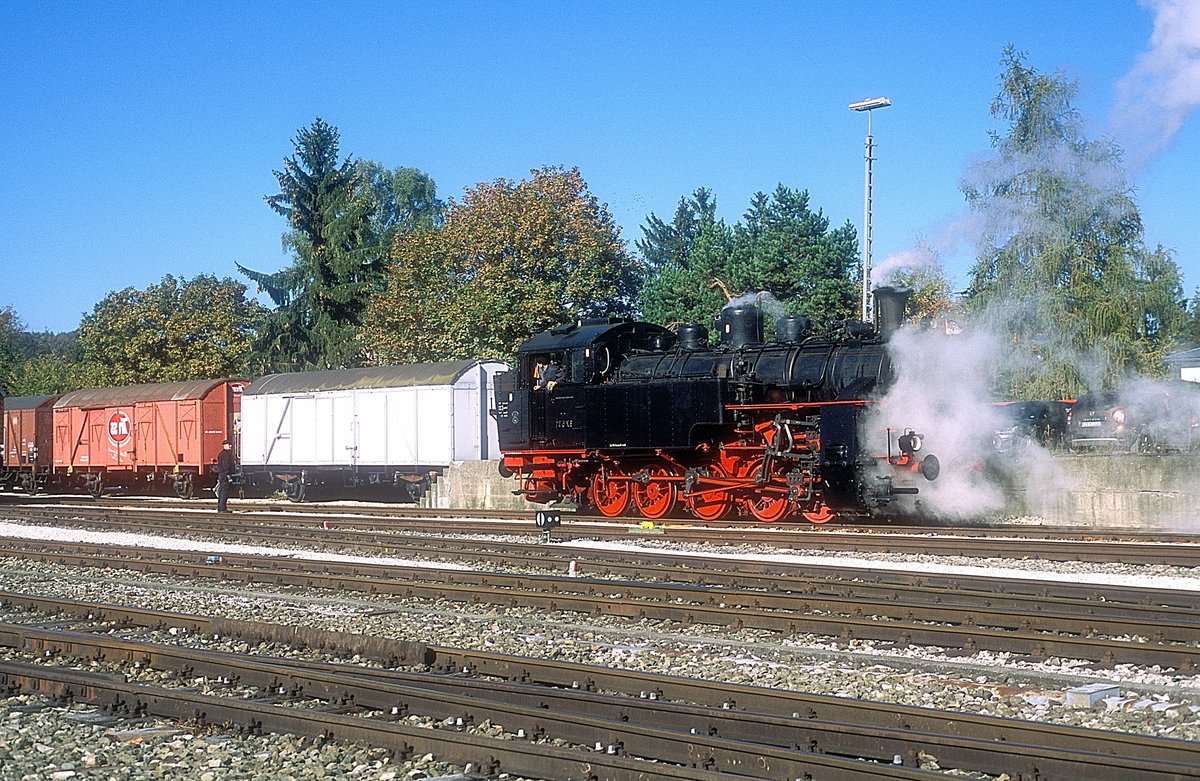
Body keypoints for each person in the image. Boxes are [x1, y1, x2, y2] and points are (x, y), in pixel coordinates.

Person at [216, 438, 236, 513]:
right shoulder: (226, 455)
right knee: (225, 491)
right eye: (229, 445)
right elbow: (226, 465)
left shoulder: (221, 454)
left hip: (221, 474)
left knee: (221, 491)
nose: (230, 446)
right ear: (224, 445)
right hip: (225, 475)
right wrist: (228, 475)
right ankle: (222, 508)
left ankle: (220, 508)